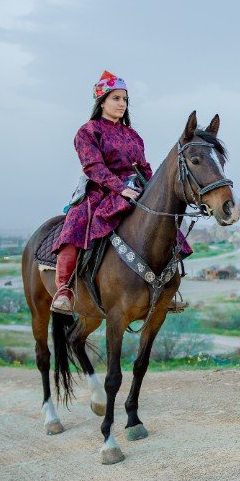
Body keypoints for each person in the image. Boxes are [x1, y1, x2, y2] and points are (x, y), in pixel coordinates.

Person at [50, 71, 152, 314]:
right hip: (99, 191)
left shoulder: (133, 135)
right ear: (102, 101)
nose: (122, 104)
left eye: (125, 99)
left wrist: (150, 190)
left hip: (133, 191)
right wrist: (121, 188)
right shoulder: (88, 131)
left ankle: (165, 286)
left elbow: (145, 168)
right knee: (75, 225)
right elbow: (93, 166)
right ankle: (64, 289)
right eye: (116, 98)